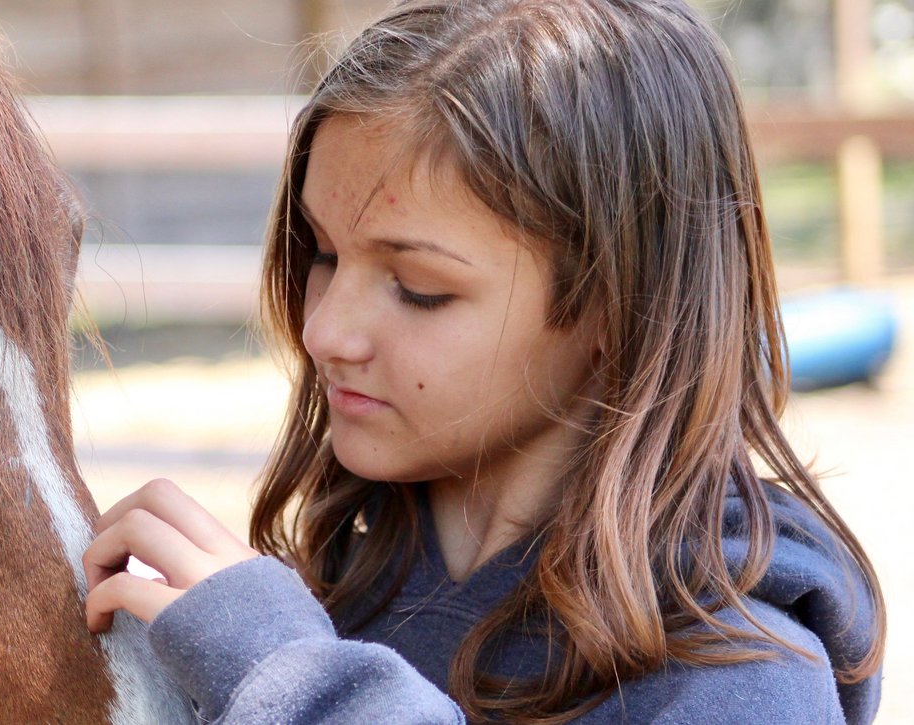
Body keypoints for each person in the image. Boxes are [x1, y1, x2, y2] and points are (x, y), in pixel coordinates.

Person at [80, 0, 886, 722]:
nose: (325, 330)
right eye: (322, 254)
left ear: (618, 305)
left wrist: (296, 678)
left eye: (418, 287)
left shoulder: (749, 679)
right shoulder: (324, 592)